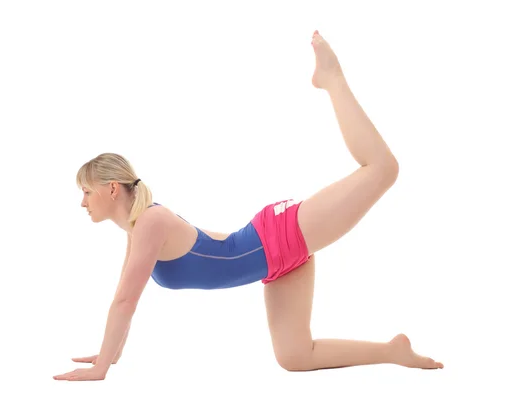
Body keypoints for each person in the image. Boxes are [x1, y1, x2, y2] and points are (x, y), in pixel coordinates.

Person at [53, 30, 443, 381]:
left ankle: (332, 79)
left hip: (280, 234)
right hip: (275, 262)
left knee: (382, 170)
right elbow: (125, 299)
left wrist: (101, 370)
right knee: (294, 356)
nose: (82, 202)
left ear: (112, 188)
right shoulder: (139, 229)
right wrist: (111, 355)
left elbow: (125, 300)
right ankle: (394, 351)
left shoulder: (151, 222)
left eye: (86, 191)